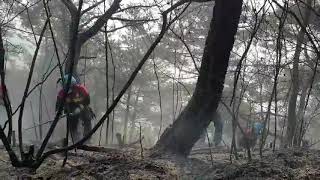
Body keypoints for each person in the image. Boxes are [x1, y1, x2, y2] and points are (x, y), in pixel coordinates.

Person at [56, 74, 93, 144]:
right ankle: (75, 139)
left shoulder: (81, 89)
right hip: (70, 110)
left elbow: (87, 100)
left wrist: (80, 107)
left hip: (83, 107)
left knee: (87, 117)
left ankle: (87, 139)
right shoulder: (62, 93)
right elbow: (58, 105)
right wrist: (59, 113)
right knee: (72, 124)